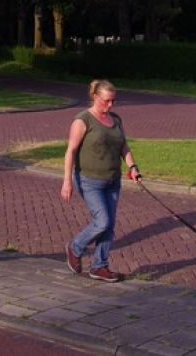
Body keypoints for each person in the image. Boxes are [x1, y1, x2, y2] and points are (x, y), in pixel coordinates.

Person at [60, 79, 141, 282]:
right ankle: (75, 247)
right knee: (102, 221)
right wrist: (67, 181)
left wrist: (133, 167)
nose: (110, 105)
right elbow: (70, 152)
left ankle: (99, 266)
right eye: (106, 101)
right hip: (89, 180)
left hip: (112, 180)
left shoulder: (116, 119)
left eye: (113, 101)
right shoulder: (83, 120)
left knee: (109, 225)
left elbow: (124, 146)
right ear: (95, 96)